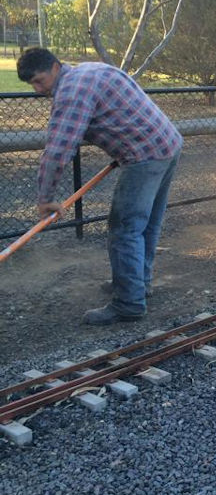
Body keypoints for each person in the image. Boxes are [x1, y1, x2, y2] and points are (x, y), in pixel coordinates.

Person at [17, 48, 183, 325]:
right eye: (32, 84)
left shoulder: (71, 91)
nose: (37, 89)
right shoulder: (90, 69)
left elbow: (58, 151)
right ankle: (138, 284)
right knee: (147, 225)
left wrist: (45, 198)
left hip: (145, 156)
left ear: (56, 67)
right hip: (167, 144)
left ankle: (129, 303)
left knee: (124, 230)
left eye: (40, 81)